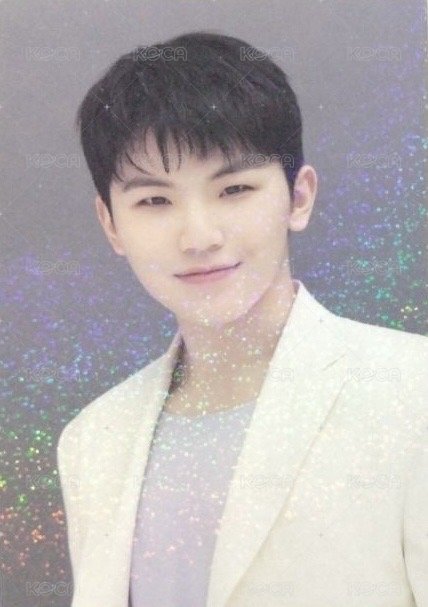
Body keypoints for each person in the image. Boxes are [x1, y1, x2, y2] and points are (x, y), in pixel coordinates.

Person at [57, 31, 428, 607]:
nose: (199, 237)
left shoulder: (410, 393)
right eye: (154, 201)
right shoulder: (93, 440)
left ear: (298, 197)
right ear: (111, 225)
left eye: (234, 189)